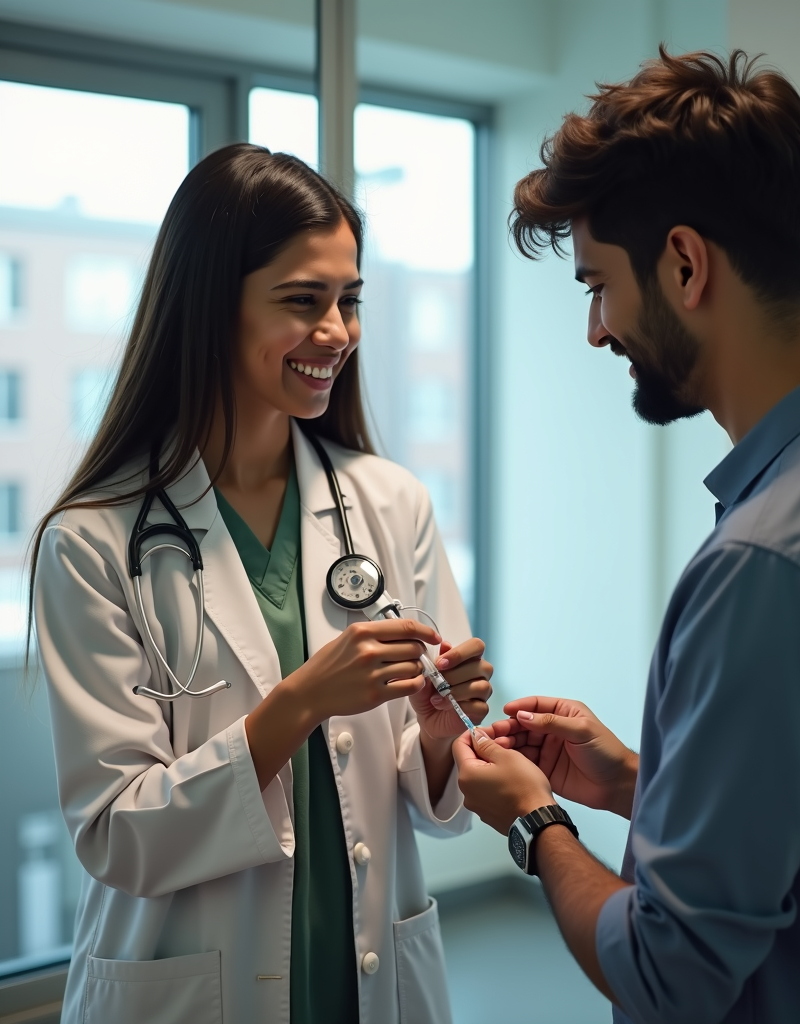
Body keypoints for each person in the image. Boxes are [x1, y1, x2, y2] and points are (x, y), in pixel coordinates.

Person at [453, 48, 800, 1024]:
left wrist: (534, 823)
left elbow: (669, 972)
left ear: (684, 265)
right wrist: (640, 785)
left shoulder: (766, 562)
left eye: (595, 285)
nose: (595, 331)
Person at [31, 143, 492, 1024]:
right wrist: (303, 701)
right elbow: (118, 833)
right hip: (189, 988)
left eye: (349, 301)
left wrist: (439, 738)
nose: (338, 333)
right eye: (303, 301)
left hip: (367, 976)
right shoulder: (92, 541)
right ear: (212, 307)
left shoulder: (390, 504)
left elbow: (430, 805)